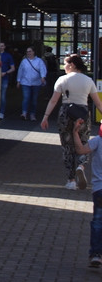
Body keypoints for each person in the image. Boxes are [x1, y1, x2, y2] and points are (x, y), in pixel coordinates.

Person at [40, 54, 102, 190]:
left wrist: (45, 117)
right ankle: (81, 166)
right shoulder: (88, 81)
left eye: (66, 63)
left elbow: (53, 100)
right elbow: (98, 103)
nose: (64, 66)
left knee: (67, 147)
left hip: (66, 114)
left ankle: (71, 180)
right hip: (82, 115)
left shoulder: (62, 79)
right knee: (84, 143)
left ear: (72, 65)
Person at [70, 117, 102, 268]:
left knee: (98, 221)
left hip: (99, 189)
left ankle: (96, 254)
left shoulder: (97, 141)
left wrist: (75, 132)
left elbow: (80, 150)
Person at [16, 46, 48, 120]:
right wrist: (18, 80)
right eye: (27, 52)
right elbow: (20, 71)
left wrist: (43, 77)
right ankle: (24, 113)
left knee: (34, 99)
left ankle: (32, 114)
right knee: (26, 98)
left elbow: (42, 69)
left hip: (36, 83)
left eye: (30, 51)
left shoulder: (39, 61)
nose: (28, 53)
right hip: (25, 82)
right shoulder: (24, 61)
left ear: (33, 52)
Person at [0, 42, 17, 119]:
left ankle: (1, 112)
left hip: (4, 78)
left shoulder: (8, 56)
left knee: (2, 96)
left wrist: (5, 72)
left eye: (2, 46)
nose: (1, 47)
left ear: (4, 47)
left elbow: (13, 68)